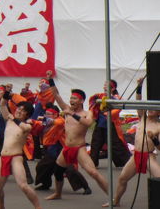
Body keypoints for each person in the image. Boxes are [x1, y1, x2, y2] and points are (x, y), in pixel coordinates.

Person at [46, 72, 109, 200]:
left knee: (93, 172)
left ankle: (112, 198)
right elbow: (56, 95)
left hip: (79, 148)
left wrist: (72, 114)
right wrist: (50, 80)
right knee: (58, 171)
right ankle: (58, 193)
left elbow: (88, 123)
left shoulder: (87, 113)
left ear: (81, 101)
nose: (71, 100)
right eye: (71, 98)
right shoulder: (66, 108)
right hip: (66, 148)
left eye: (74, 99)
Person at [108, 77, 160, 207]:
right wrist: (139, 85)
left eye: (154, 108)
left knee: (159, 179)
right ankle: (116, 201)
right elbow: (138, 101)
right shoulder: (142, 118)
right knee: (122, 179)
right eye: (149, 107)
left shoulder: (158, 126)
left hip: (149, 156)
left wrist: (154, 138)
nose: (150, 109)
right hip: (136, 155)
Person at [0, 91, 41, 209]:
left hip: (16, 158)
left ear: (27, 114)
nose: (19, 111)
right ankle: (1, 206)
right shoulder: (9, 120)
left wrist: (13, 118)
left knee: (23, 185)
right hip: (3, 157)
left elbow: (24, 127)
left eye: (23, 110)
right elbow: (3, 105)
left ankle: (38, 207)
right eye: (19, 108)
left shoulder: (27, 125)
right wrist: (7, 93)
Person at [89, 80, 131, 168]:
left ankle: (124, 163)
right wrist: (96, 102)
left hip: (111, 124)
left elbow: (118, 109)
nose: (104, 86)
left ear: (113, 88)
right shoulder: (100, 96)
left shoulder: (116, 98)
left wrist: (107, 113)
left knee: (115, 145)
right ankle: (92, 163)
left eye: (107, 85)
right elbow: (92, 100)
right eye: (104, 84)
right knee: (95, 144)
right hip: (100, 124)